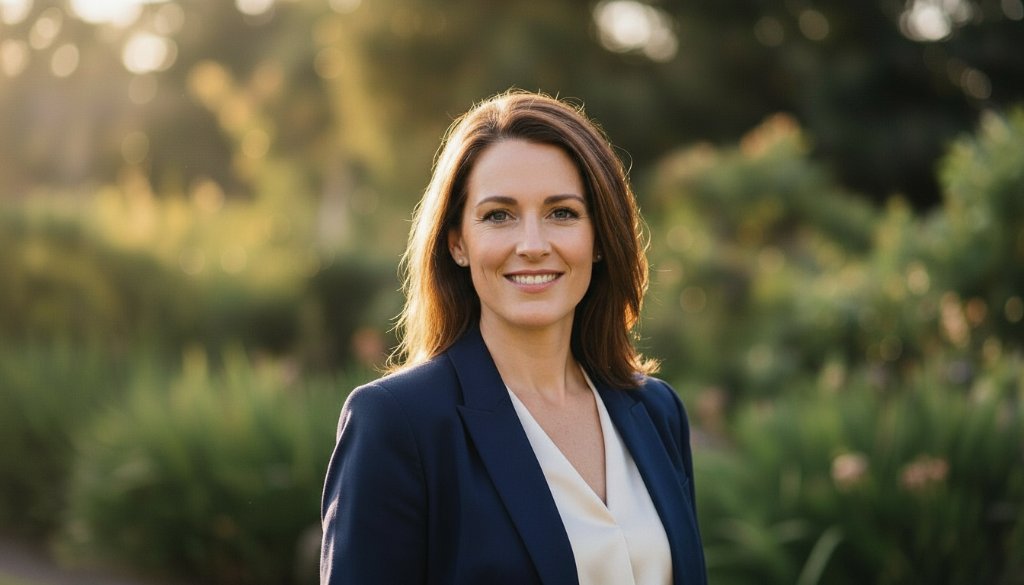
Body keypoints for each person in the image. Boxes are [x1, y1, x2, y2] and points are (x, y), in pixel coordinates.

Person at [320, 90, 707, 585]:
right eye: (498, 215)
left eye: (562, 213)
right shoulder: (399, 423)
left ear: (599, 238)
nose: (532, 245)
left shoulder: (656, 411)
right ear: (458, 241)